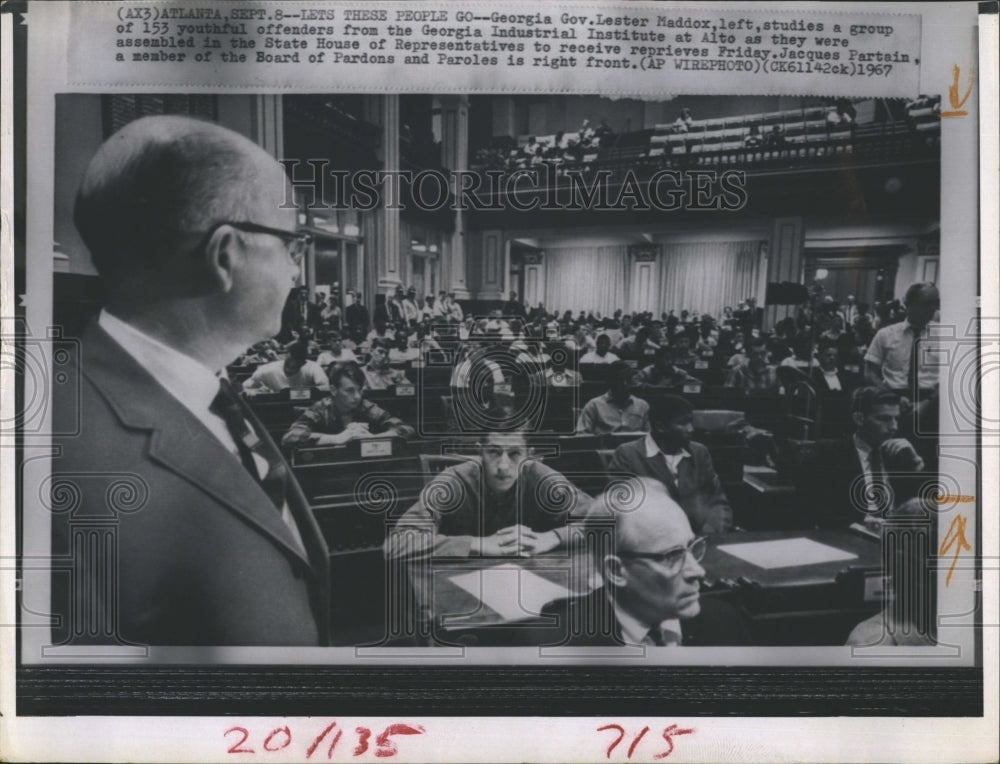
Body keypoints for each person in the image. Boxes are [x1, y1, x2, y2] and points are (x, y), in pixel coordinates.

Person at [52, 115, 331, 646]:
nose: (298, 272)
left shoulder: (211, 388)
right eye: (294, 247)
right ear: (225, 255)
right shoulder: (58, 453)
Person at [541, 479, 750, 647]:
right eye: (671, 556)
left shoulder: (726, 623)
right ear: (616, 571)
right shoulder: (554, 647)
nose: (698, 571)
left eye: (691, 546)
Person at [385, 431, 588, 559]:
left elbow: (607, 521)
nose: (503, 466)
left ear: (529, 454)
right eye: (494, 452)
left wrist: (553, 538)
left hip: (533, 584)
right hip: (460, 589)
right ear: (479, 452)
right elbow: (396, 544)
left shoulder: (543, 477)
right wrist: (478, 544)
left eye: (515, 453)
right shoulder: (451, 482)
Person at [793, 387, 926, 528]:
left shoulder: (899, 454)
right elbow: (809, 506)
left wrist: (917, 467)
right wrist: (854, 523)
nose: (893, 427)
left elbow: (919, 504)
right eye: (884, 419)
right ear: (859, 419)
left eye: (895, 419)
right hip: (849, 537)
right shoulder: (828, 453)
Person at [607, 396, 733, 534]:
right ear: (661, 427)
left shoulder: (699, 452)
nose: (691, 429)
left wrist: (710, 531)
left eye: (691, 422)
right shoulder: (627, 454)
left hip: (700, 538)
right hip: (650, 540)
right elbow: (622, 509)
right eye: (683, 423)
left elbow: (717, 501)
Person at [282, 362, 416, 448]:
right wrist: (337, 439)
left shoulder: (365, 406)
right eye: (350, 390)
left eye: (360, 390)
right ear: (334, 390)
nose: (357, 396)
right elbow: (289, 437)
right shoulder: (321, 408)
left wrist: (371, 439)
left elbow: (406, 428)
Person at [577, 362, 650, 435]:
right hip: (605, 445)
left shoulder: (642, 406)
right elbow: (582, 435)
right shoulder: (594, 405)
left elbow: (649, 434)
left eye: (627, 379)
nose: (624, 384)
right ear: (610, 382)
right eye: (620, 380)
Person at [241, 340, 328, 396]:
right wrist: (256, 391)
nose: (290, 369)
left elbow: (326, 387)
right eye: (288, 365)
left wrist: (295, 394)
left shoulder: (312, 368)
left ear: (304, 363)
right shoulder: (267, 370)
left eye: (295, 367)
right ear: (286, 356)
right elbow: (243, 388)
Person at [634, 346, 700, 392]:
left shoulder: (677, 371)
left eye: (672, 359)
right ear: (658, 358)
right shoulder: (646, 371)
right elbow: (634, 383)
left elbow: (697, 382)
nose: (670, 362)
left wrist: (681, 384)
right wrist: (654, 387)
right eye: (667, 359)